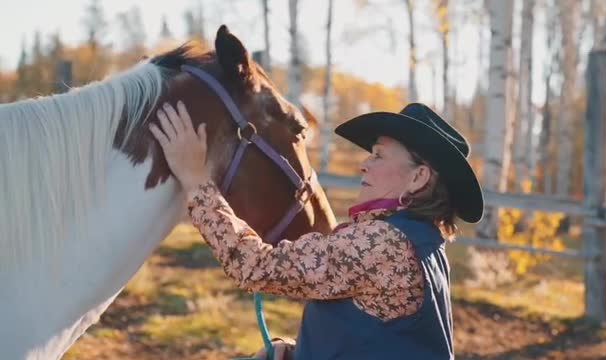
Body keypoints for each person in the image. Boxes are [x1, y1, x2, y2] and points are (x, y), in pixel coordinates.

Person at [150, 101, 484, 360]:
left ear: (418, 178)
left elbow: (254, 266)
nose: (364, 164)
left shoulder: (382, 242)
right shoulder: (422, 243)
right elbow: (384, 343)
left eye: (380, 156)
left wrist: (195, 180)